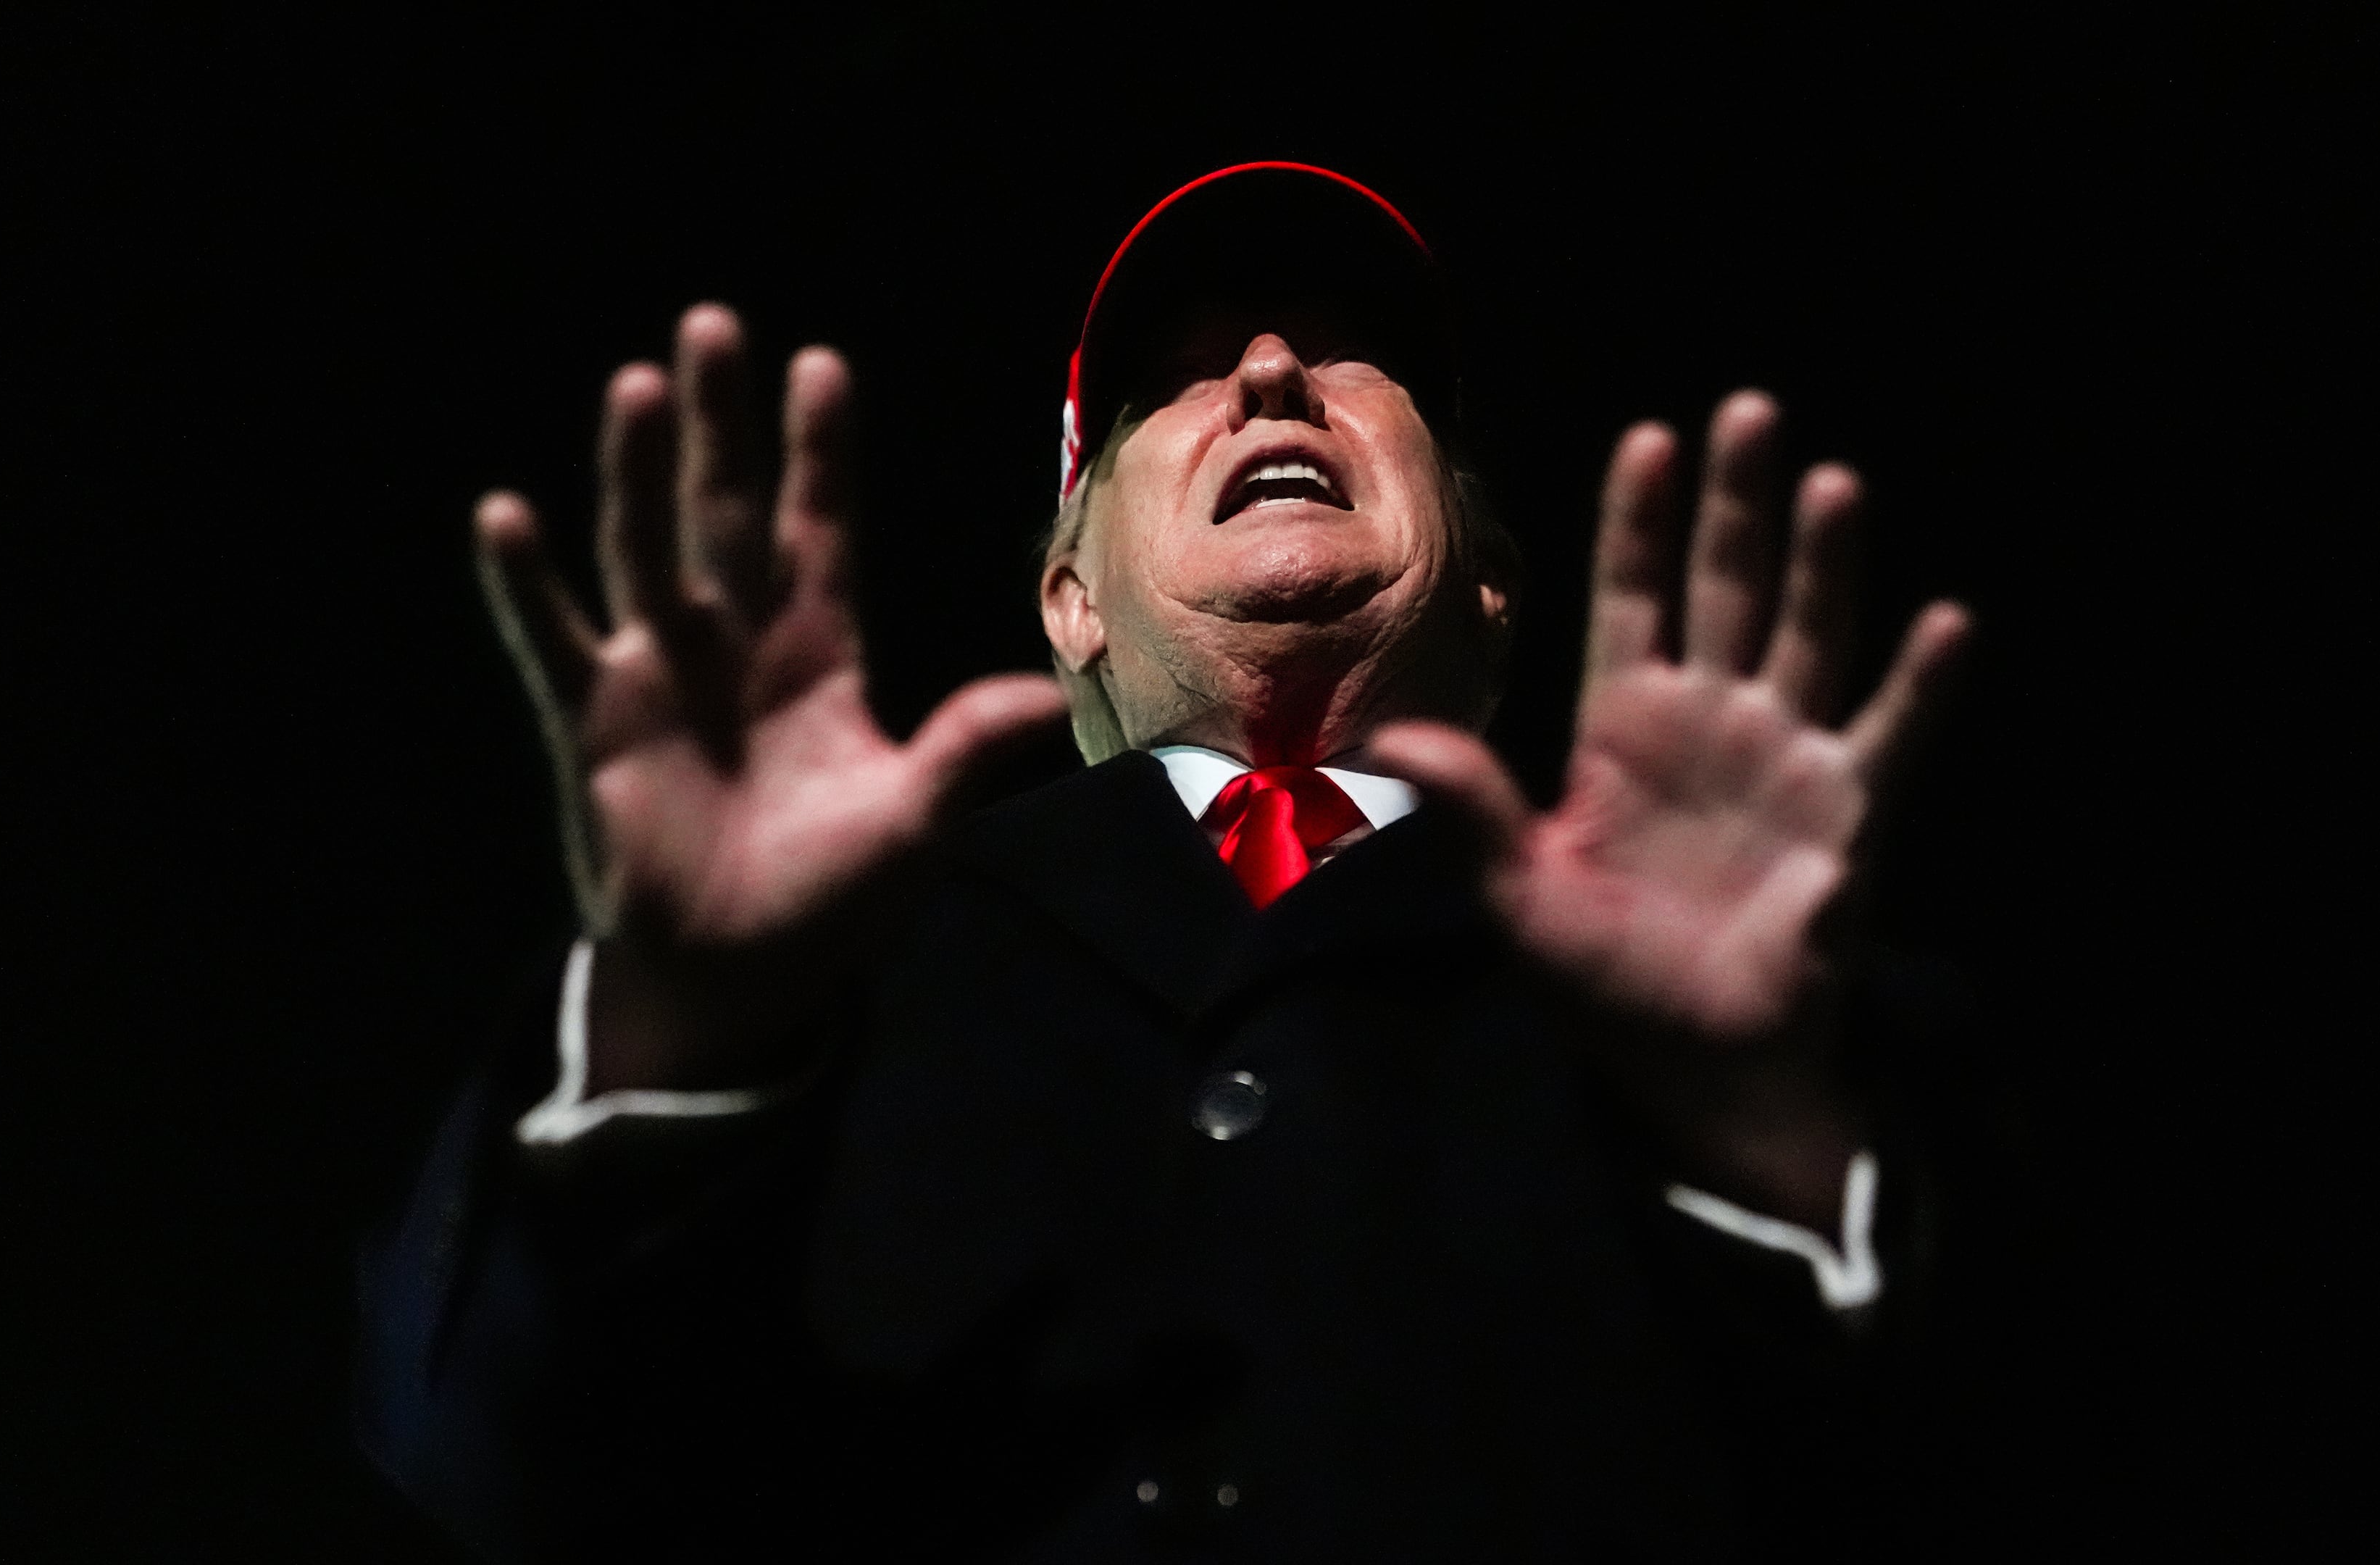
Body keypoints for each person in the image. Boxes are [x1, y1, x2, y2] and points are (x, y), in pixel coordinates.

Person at [361, 162, 1976, 1561]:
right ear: (1071, 597)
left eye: (1351, 353)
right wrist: (686, 1048)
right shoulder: (828, 955)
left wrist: (1764, 1143)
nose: (1273, 372)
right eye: (1175, 380)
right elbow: (480, 1467)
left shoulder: (1751, 994)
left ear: (1488, 582)